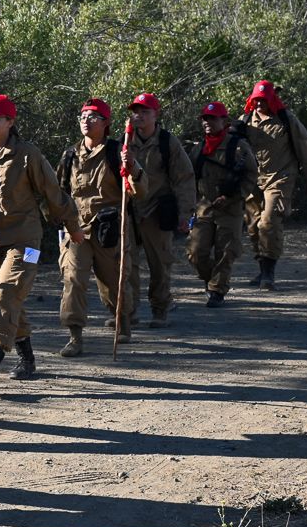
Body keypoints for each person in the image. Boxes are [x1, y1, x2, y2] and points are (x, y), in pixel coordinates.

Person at [0, 94, 83, 390]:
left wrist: (73, 225)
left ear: (10, 122)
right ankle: (27, 360)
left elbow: (53, 193)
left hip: (25, 240)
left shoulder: (28, 154)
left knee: (5, 297)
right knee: (6, 301)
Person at [56, 98, 142, 357]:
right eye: (83, 116)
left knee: (115, 280)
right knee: (73, 279)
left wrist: (133, 168)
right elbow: (59, 191)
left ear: (106, 123)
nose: (86, 120)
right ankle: (75, 335)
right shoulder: (70, 155)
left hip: (110, 229)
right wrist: (58, 219)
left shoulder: (117, 151)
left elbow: (139, 190)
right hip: (77, 229)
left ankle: (123, 321)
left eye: (93, 116)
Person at [238, 80, 307, 289]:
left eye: (263, 101)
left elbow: (305, 150)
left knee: (269, 221)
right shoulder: (245, 121)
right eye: (255, 101)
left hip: (280, 177)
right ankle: (261, 267)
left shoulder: (286, 120)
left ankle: (269, 271)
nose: (259, 105)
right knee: (254, 226)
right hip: (253, 180)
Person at [124, 92, 195, 327]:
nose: (139, 117)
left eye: (145, 112)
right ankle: (128, 312)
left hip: (156, 210)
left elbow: (184, 179)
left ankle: (160, 311)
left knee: (160, 264)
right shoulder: (124, 142)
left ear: (156, 114)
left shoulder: (167, 142)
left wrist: (185, 215)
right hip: (130, 211)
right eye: (136, 112)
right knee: (127, 265)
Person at [187, 102, 257, 306]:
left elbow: (251, 175)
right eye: (205, 119)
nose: (208, 122)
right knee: (195, 252)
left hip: (231, 208)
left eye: (213, 118)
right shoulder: (198, 149)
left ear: (224, 121)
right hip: (204, 207)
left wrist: (233, 196)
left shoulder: (238, 147)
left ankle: (217, 290)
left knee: (226, 251)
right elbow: (187, 176)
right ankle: (211, 280)